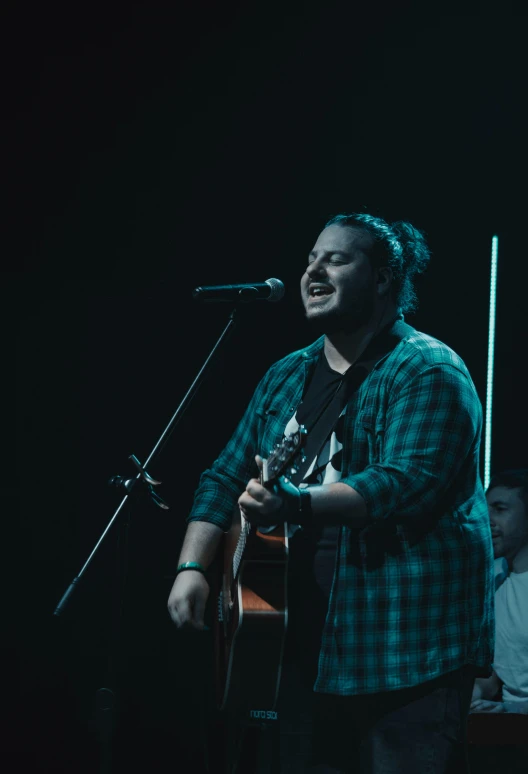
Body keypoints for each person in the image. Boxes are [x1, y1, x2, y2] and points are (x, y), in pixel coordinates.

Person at [168, 212, 495, 773]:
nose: (313, 270)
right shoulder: (286, 375)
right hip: (297, 646)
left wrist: (295, 504)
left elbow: (402, 482)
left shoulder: (427, 369)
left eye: (336, 259)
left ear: (384, 278)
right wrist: (192, 568)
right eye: (311, 258)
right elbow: (223, 475)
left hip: (402, 652)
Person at [471, 469, 528, 715]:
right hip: (506, 732)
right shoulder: (493, 579)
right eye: (486, 509)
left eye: (500, 509)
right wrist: (475, 696)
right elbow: (499, 671)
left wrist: (513, 710)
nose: (487, 518)